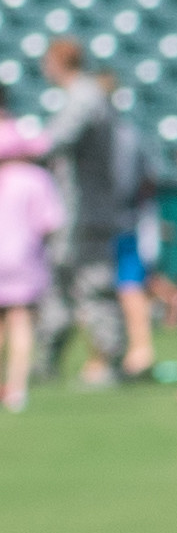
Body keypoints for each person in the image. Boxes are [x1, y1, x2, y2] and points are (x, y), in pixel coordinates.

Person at [35, 37, 142, 387]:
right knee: (61, 285)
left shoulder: (85, 95)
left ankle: (110, 360)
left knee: (93, 284)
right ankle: (47, 360)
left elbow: (55, 141)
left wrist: (17, 146)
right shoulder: (86, 94)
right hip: (75, 211)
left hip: (85, 212)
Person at [0, 110, 56, 409]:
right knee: (20, 319)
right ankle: (17, 388)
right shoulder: (36, 179)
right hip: (22, 258)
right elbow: (48, 223)